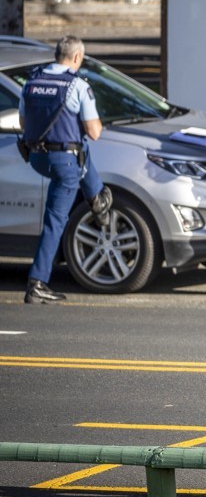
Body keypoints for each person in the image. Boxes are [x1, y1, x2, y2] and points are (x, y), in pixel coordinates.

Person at [19, 35, 112, 304]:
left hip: (38, 158)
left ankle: (96, 196)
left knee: (80, 157)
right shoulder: (78, 86)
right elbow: (94, 132)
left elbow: (26, 123)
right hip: (65, 163)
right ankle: (37, 283)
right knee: (54, 221)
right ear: (76, 58)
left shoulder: (32, 82)